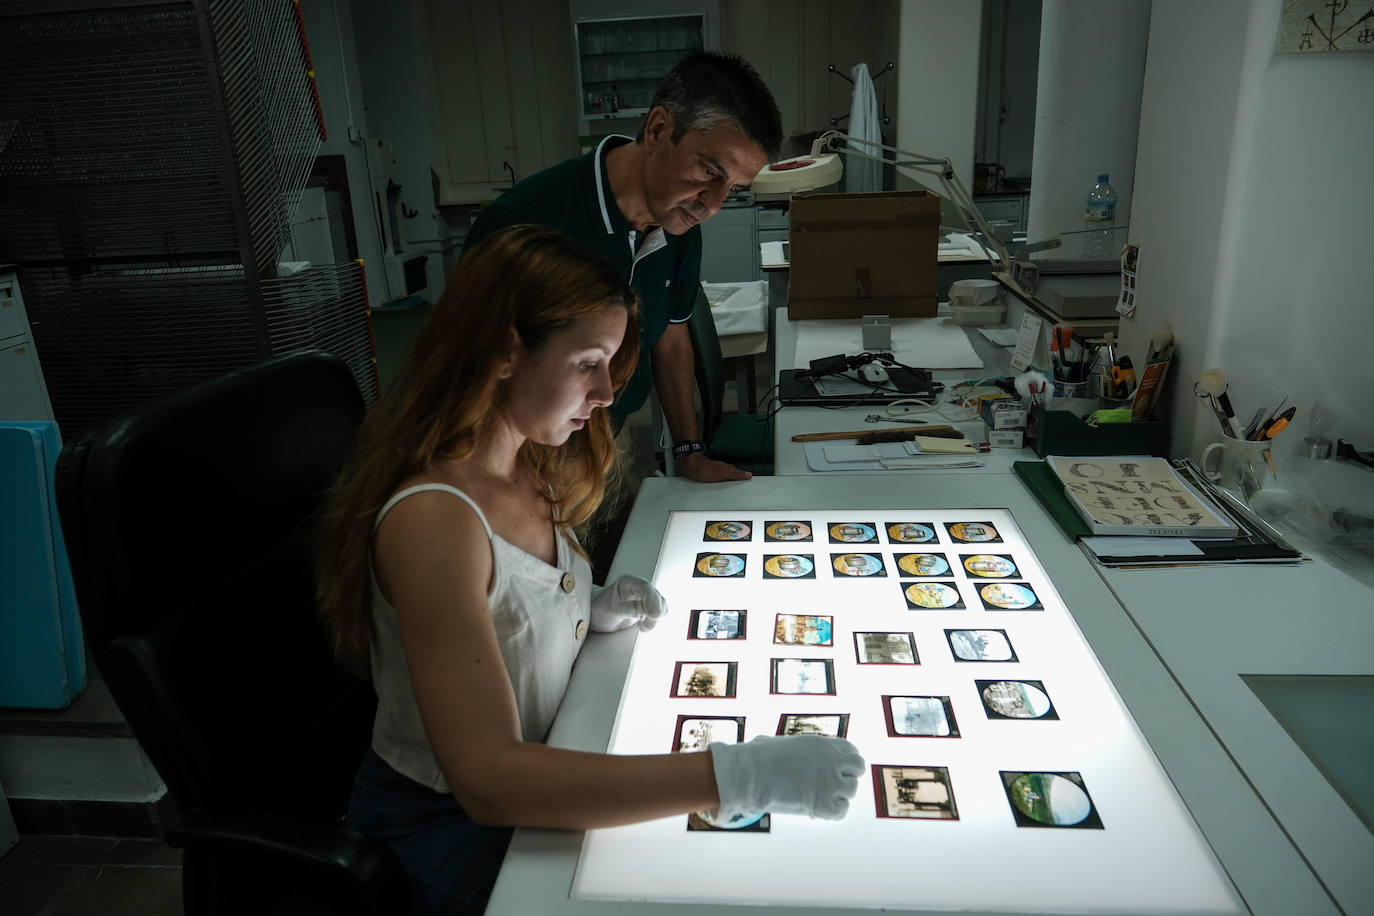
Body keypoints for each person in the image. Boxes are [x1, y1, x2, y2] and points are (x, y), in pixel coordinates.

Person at [317, 225, 864, 915]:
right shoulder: (435, 520)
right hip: (446, 824)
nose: (607, 392)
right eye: (588, 363)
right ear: (507, 350)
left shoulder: (523, 461)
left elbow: (504, 602)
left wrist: (577, 606)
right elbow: (489, 783)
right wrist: (736, 775)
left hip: (538, 764)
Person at [462, 50, 782, 484]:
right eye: (709, 171)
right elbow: (466, 375)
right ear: (657, 130)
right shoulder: (524, 223)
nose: (713, 205)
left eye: (735, 189)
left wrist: (690, 451)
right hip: (518, 461)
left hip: (606, 443)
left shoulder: (680, 229)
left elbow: (670, 338)